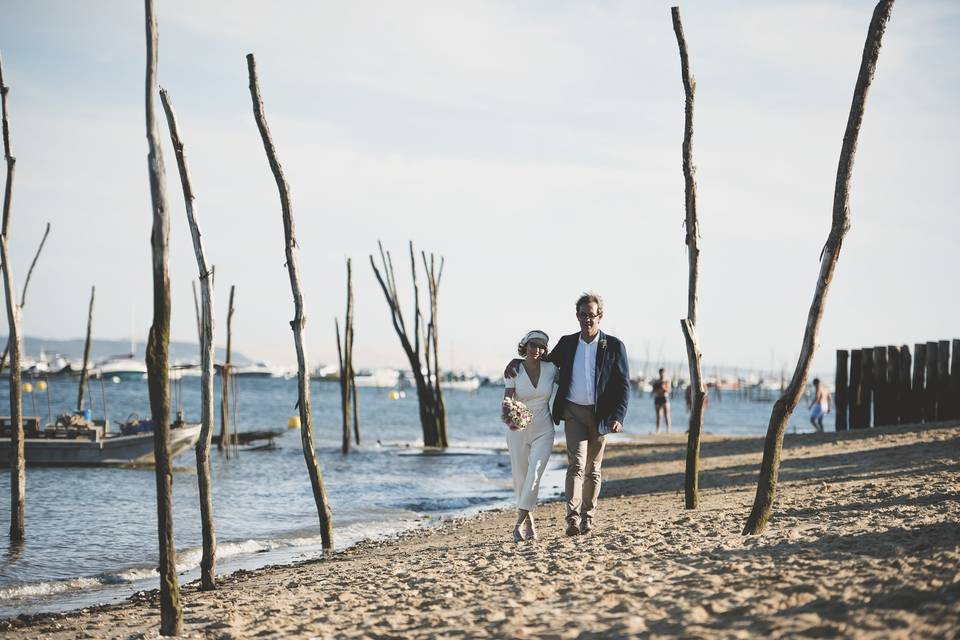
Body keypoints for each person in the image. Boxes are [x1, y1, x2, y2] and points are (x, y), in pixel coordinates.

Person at [505, 292, 630, 537]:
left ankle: (588, 517)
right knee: (576, 465)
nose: (587, 320)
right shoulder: (568, 342)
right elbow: (541, 361)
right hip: (573, 412)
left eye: (591, 316)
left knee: (593, 469)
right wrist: (517, 361)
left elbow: (623, 385)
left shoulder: (614, 346)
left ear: (600, 316)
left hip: (601, 415)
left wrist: (618, 416)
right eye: (582, 315)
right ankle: (572, 519)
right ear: (577, 316)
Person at [503, 330, 558, 542]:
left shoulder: (552, 369)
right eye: (532, 345)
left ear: (545, 350)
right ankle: (530, 524)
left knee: (534, 475)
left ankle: (517, 525)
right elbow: (507, 400)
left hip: (544, 429)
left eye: (541, 346)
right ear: (525, 346)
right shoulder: (514, 370)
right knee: (521, 477)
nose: (536, 349)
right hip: (518, 429)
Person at [653, 368, 671, 433]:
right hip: (657, 398)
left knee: (667, 415)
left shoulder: (667, 381)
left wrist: (663, 387)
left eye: (663, 373)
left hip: (664, 398)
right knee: (658, 415)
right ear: (659, 373)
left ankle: (668, 430)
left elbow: (668, 390)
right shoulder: (656, 381)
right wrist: (657, 388)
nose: (662, 374)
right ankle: (658, 430)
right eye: (661, 373)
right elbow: (654, 391)